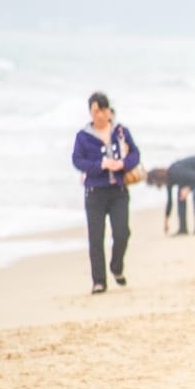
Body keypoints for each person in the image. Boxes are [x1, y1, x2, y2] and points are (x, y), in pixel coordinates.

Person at [71, 91, 140, 295]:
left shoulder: (120, 132)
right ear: (91, 112)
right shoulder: (83, 136)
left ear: (109, 111)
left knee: (122, 233)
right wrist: (100, 164)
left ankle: (116, 267)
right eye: (95, 111)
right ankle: (99, 281)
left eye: (103, 110)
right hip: (95, 191)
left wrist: (123, 164)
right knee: (96, 238)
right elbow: (77, 161)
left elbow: (135, 153)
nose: (100, 115)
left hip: (118, 190)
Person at [146, 156, 195, 235]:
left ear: (158, 178)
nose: (157, 185)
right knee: (180, 195)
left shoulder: (176, 172)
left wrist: (189, 188)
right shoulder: (169, 180)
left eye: (155, 183)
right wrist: (166, 221)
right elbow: (169, 201)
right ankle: (183, 229)